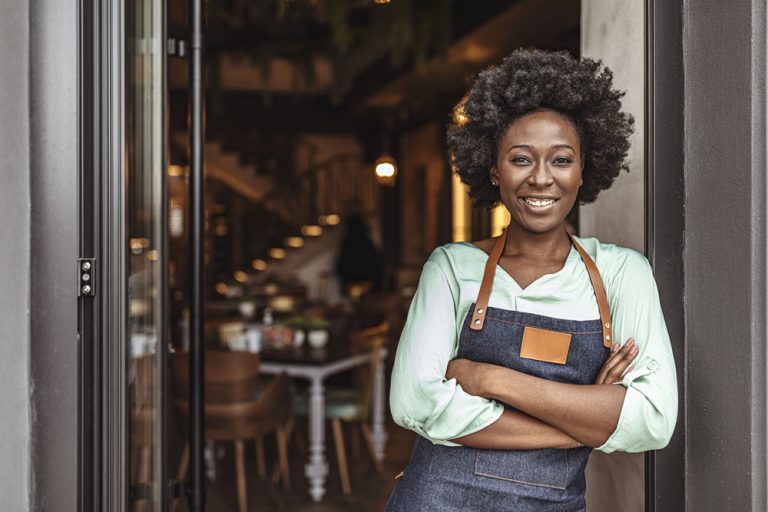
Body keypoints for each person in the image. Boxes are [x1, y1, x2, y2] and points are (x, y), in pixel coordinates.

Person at [386, 48, 677, 511]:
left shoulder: (623, 273)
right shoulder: (452, 268)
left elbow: (653, 421)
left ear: (583, 169)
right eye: (521, 159)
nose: (541, 179)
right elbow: (415, 403)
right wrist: (587, 419)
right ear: (493, 170)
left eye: (561, 160)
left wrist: (488, 378)